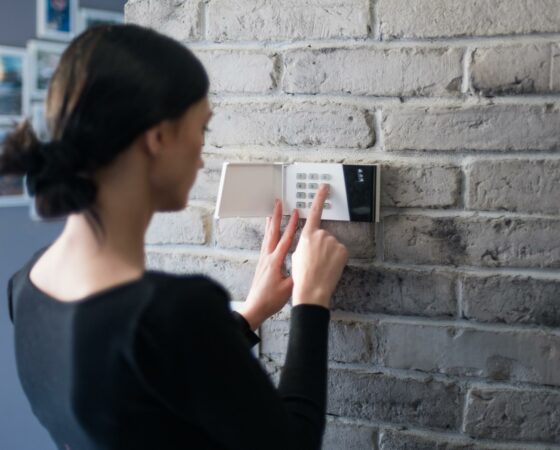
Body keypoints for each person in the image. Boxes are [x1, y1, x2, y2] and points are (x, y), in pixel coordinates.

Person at [0, 24, 348, 450]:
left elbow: (143, 400)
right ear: (159, 138)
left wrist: (248, 316)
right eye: (202, 128)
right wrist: (311, 300)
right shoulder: (175, 311)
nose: (203, 156)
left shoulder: (25, 286)